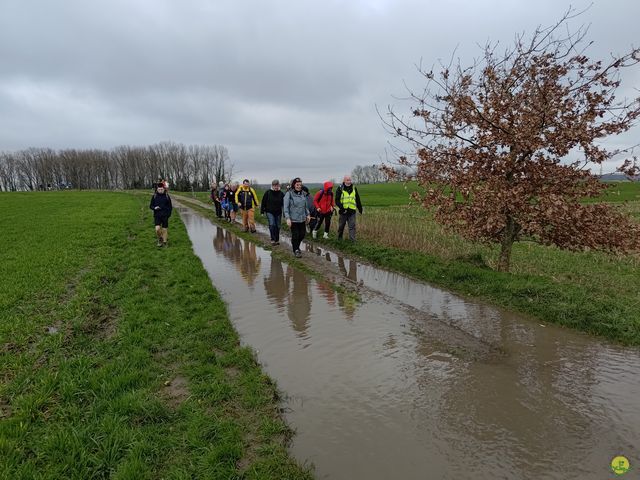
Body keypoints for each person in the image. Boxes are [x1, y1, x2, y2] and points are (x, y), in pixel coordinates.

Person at [283, 177, 310, 257]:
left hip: (302, 218)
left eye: (300, 185)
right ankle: (296, 250)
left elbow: (305, 206)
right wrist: (287, 218)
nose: (299, 186)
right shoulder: (289, 194)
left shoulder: (303, 194)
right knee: (295, 235)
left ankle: (296, 246)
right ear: (294, 185)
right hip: (293, 219)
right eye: (297, 185)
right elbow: (286, 207)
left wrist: (308, 215)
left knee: (302, 234)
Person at [335, 175, 363, 241]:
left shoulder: (354, 188)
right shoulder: (340, 188)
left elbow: (357, 199)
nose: (349, 181)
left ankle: (352, 240)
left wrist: (360, 208)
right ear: (344, 181)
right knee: (341, 226)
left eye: (350, 180)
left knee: (352, 226)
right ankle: (339, 238)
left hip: (352, 211)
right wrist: (342, 208)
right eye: (347, 180)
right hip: (343, 211)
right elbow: (337, 200)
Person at [260, 179, 285, 245]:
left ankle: (277, 239)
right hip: (269, 211)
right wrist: (262, 211)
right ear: (272, 186)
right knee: (272, 224)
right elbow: (263, 202)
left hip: (278, 212)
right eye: (274, 186)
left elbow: (284, 203)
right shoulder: (268, 192)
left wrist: (285, 213)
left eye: (277, 186)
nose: (276, 187)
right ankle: (272, 239)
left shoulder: (281, 193)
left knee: (278, 226)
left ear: (279, 185)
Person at [149, 182, 173, 247]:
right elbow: (150, 206)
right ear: (157, 189)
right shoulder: (154, 196)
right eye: (159, 189)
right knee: (157, 229)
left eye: (161, 189)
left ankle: (165, 242)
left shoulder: (167, 196)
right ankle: (160, 239)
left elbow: (170, 207)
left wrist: (168, 214)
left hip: (165, 215)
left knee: (164, 229)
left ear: (164, 189)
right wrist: (154, 208)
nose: (160, 190)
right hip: (157, 215)